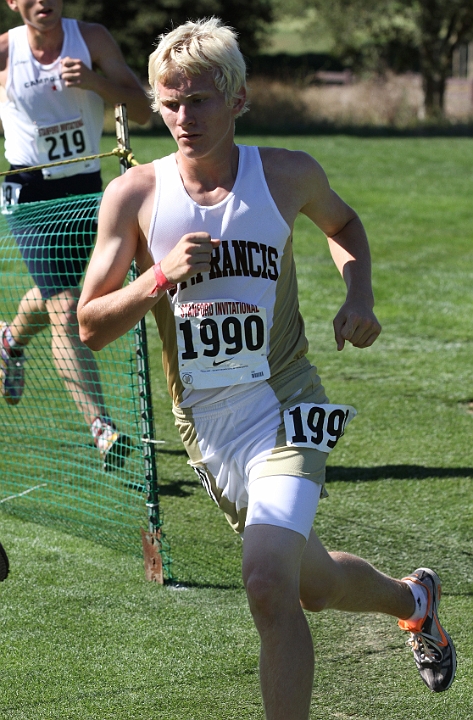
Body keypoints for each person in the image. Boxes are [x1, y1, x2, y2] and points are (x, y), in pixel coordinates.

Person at [77, 17, 456, 717]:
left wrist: (358, 293)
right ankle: (413, 599)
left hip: (286, 402)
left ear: (238, 100)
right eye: (169, 101)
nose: (182, 117)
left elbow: (344, 227)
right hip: (206, 426)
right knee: (304, 583)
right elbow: (90, 326)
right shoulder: (132, 197)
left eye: (200, 100)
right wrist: (156, 278)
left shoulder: (285, 174)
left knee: (264, 583)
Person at [0, 0, 151, 471]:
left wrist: (94, 82)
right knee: (66, 307)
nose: (43, 1)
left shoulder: (93, 39)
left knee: (65, 295)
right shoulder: (5, 53)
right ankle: (101, 428)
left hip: (86, 186)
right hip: (29, 189)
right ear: (13, 2)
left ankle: (8, 341)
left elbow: (143, 111)